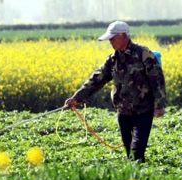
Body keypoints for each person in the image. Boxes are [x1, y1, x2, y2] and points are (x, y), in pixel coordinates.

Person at [65, 21, 166, 163]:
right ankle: (136, 178)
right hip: (123, 112)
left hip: (143, 111)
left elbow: (157, 80)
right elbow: (96, 80)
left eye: (113, 38)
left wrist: (159, 105)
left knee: (136, 152)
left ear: (124, 36)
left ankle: (141, 179)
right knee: (129, 152)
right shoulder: (113, 60)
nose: (110, 41)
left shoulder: (143, 54)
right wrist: (77, 98)